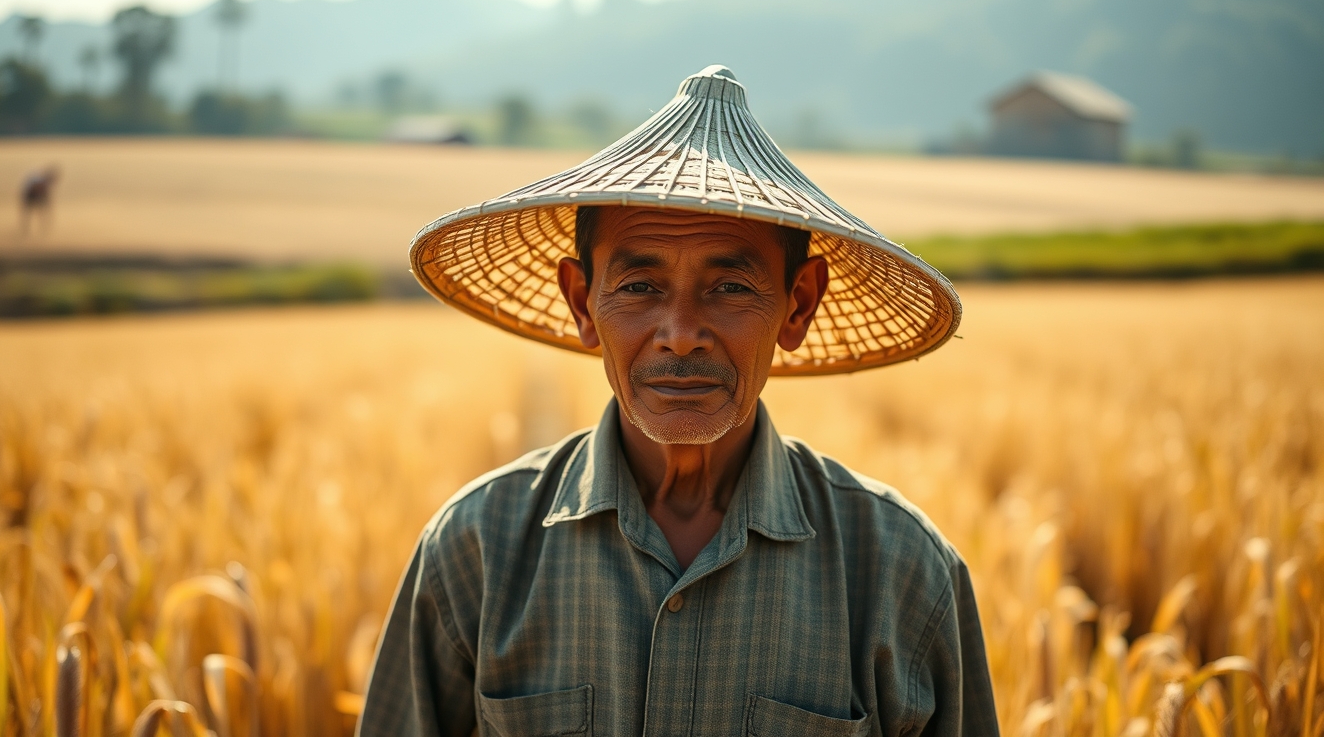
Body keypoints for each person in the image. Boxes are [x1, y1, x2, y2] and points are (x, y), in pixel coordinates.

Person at [358, 65, 997, 737]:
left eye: (730, 288)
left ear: (798, 304)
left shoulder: (901, 571)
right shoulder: (476, 551)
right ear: (582, 303)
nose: (682, 334)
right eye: (639, 287)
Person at [19, 164, 60, 237]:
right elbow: (35, 190)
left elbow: (45, 194)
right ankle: (27, 231)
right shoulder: (38, 179)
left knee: (39, 214)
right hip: (30, 196)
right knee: (29, 214)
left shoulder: (42, 181)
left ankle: (43, 229)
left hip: (35, 196)